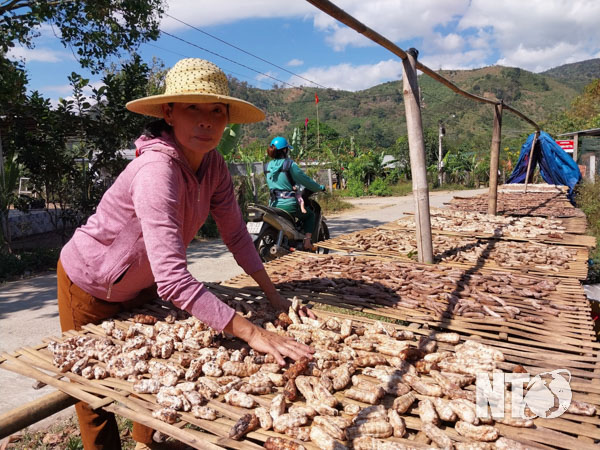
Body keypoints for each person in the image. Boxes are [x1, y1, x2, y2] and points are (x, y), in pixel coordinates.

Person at [57, 58, 314, 450]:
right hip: (90, 283)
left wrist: (273, 295)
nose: (206, 121)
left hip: (144, 284)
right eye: (192, 107)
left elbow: (237, 237)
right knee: (93, 388)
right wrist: (252, 332)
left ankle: (150, 445)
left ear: (227, 120)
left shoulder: (214, 167)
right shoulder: (157, 170)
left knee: (152, 381)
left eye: (216, 111)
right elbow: (174, 280)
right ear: (169, 113)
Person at [265, 136, 325, 250]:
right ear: (284, 150)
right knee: (310, 216)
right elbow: (305, 180)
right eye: (287, 149)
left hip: (273, 205)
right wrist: (319, 187)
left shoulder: (267, 166)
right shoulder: (289, 164)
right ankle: (307, 242)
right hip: (289, 205)